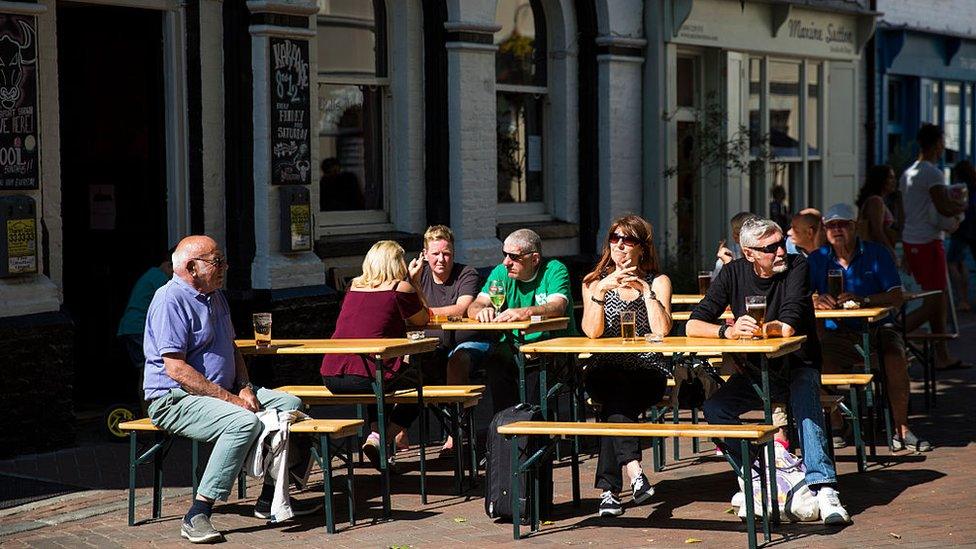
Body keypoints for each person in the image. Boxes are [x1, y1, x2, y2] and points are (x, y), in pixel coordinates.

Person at [143, 236, 314, 544]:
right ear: (192, 268)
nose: (224, 267)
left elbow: (231, 349)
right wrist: (232, 400)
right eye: (216, 261)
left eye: (222, 260)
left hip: (222, 390)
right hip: (174, 398)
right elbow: (176, 370)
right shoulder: (169, 299)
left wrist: (246, 387)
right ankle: (197, 513)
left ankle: (271, 497)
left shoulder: (214, 295)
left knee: (294, 403)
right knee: (243, 422)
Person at [688, 217, 851, 525]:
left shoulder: (796, 265)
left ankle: (824, 487)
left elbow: (789, 321)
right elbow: (695, 322)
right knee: (715, 407)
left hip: (797, 365)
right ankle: (756, 474)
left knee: (804, 394)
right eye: (770, 248)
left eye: (781, 244)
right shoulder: (733, 273)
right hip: (754, 373)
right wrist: (727, 332)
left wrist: (756, 328)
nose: (780, 252)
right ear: (748, 253)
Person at [808, 204, 930, 452]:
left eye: (843, 224)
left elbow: (896, 296)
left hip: (878, 328)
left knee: (895, 357)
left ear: (856, 226)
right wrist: (816, 299)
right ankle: (836, 422)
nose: (837, 229)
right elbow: (801, 296)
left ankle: (901, 429)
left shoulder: (877, 253)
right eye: (831, 225)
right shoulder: (817, 258)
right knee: (816, 359)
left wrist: (864, 300)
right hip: (837, 333)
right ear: (824, 230)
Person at [580, 215, 672, 517]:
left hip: (647, 370)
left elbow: (662, 331)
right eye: (615, 238)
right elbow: (591, 333)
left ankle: (609, 492)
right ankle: (635, 472)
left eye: (628, 240)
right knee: (614, 390)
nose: (619, 245)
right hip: (604, 369)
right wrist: (601, 291)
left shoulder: (657, 282)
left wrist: (646, 294)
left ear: (641, 249)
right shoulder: (594, 282)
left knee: (614, 406)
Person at [321, 240, 430, 469]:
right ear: (396, 263)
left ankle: (375, 437)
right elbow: (422, 320)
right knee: (422, 386)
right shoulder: (400, 288)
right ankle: (382, 438)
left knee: (378, 373)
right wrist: (415, 282)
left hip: (331, 374)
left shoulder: (353, 286)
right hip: (366, 376)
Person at [465, 228, 577, 415]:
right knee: (496, 361)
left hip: (551, 347)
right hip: (513, 347)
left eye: (513, 257)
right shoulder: (501, 273)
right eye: (504, 254)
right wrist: (481, 311)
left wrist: (526, 312)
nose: (505, 262)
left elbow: (558, 307)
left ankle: (534, 434)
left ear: (534, 259)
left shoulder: (554, 269)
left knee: (536, 382)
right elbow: (474, 305)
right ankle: (507, 428)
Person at [405, 225, 480, 455]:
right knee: (402, 363)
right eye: (435, 254)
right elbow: (406, 311)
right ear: (425, 255)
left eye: (446, 254)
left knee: (457, 360)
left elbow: (462, 307)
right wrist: (414, 281)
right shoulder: (417, 276)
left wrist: (425, 315)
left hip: (460, 341)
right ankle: (397, 431)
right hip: (429, 345)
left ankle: (454, 434)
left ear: (453, 254)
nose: (441, 259)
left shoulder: (467, 273)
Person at [900, 124, 969, 369]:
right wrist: (961, 209)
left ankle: (942, 355)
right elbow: (943, 206)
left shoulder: (908, 173)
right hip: (927, 241)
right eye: (942, 142)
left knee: (937, 298)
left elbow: (903, 212)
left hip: (913, 240)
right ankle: (893, 334)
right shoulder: (932, 173)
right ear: (937, 144)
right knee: (935, 301)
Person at [118, 248, 173, 407]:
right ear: (170, 266)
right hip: (139, 328)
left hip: (130, 327)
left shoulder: (151, 275)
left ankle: (148, 412)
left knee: (145, 371)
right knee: (149, 372)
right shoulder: (161, 279)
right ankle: (149, 414)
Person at [947, 160, 976, 312]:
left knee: (953, 263)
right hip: (973, 229)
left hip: (962, 228)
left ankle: (962, 299)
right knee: (961, 263)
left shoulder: (960, 188)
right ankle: (965, 299)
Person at [856, 165, 900, 261]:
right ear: (881, 180)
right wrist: (890, 251)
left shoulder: (877, 200)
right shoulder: (875, 201)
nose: (894, 181)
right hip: (873, 253)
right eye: (890, 177)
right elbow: (877, 231)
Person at [714, 211, 760, 276]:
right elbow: (715, 280)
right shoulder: (730, 252)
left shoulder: (761, 252)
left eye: (739, 231)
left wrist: (729, 264)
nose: (734, 235)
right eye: (734, 230)